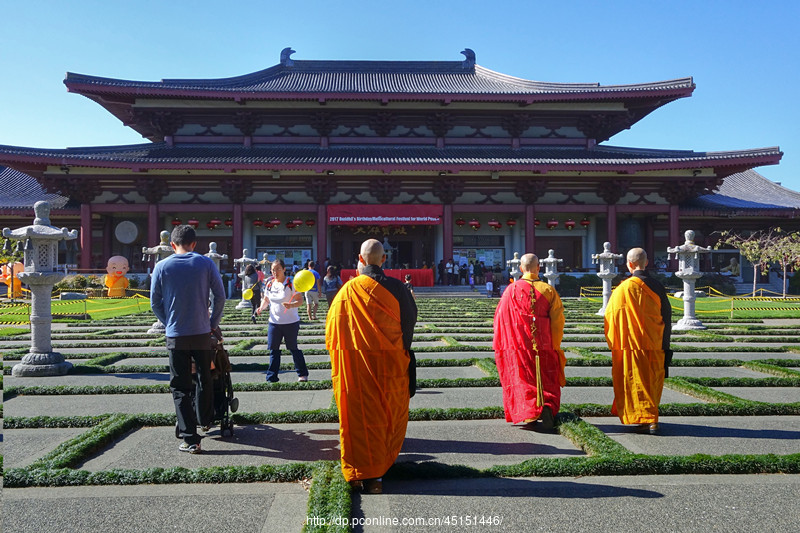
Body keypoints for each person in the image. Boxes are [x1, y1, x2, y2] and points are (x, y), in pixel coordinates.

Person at [326, 238, 417, 494]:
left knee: (358, 419)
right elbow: (409, 323)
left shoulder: (347, 291)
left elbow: (333, 333)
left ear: (360, 259)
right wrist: (399, 352)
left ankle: (357, 473)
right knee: (386, 416)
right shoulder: (399, 288)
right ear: (384, 259)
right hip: (389, 367)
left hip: (356, 369)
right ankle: (378, 472)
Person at [150, 225, 225, 454]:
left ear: (172, 245)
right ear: (194, 244)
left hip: (176, 335)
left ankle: (191, 438)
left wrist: (169, 321)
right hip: (202, 332)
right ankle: (205, 419)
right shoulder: (206, 263)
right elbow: (220, 296)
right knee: (205, 377)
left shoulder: (161, 266)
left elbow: (155, 302)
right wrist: (212, 323)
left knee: (180, 386)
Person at [493, 253, 566, 431]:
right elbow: (558, 321)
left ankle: (530, 414)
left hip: (519, 344)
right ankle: (547, 406)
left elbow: (500, 319)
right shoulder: (548, 290)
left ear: (520, 269)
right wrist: (555, 345)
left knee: (524, 378)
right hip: (544, 343)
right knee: (546, 377)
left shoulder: (510, 290)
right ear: (538, 268)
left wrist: (503, 343)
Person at [604, 247, 672, 435]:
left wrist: (614, 342)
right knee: (652, 382)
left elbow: (610, 318)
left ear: (629, 264)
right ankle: (649, 419)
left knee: (636, 382)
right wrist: (665, 344)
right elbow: (666, 316)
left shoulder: (622, 289)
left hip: (631, 346)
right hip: (655, 343)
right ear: (647, 262)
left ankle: (648, 419)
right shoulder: (657, 286)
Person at [256, 259, 309, 383]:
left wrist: (291, 305)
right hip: (274, 323)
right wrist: (261, 308)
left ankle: (302, 374)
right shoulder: (269, 284)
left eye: (278, 269)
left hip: (290, 323)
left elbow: (300, 300)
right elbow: (267, 300)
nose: (275, 272)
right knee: (274, 350)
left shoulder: (290, 283)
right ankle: (271, 377)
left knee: (293, 348)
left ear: (284, 269)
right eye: (273, 270)